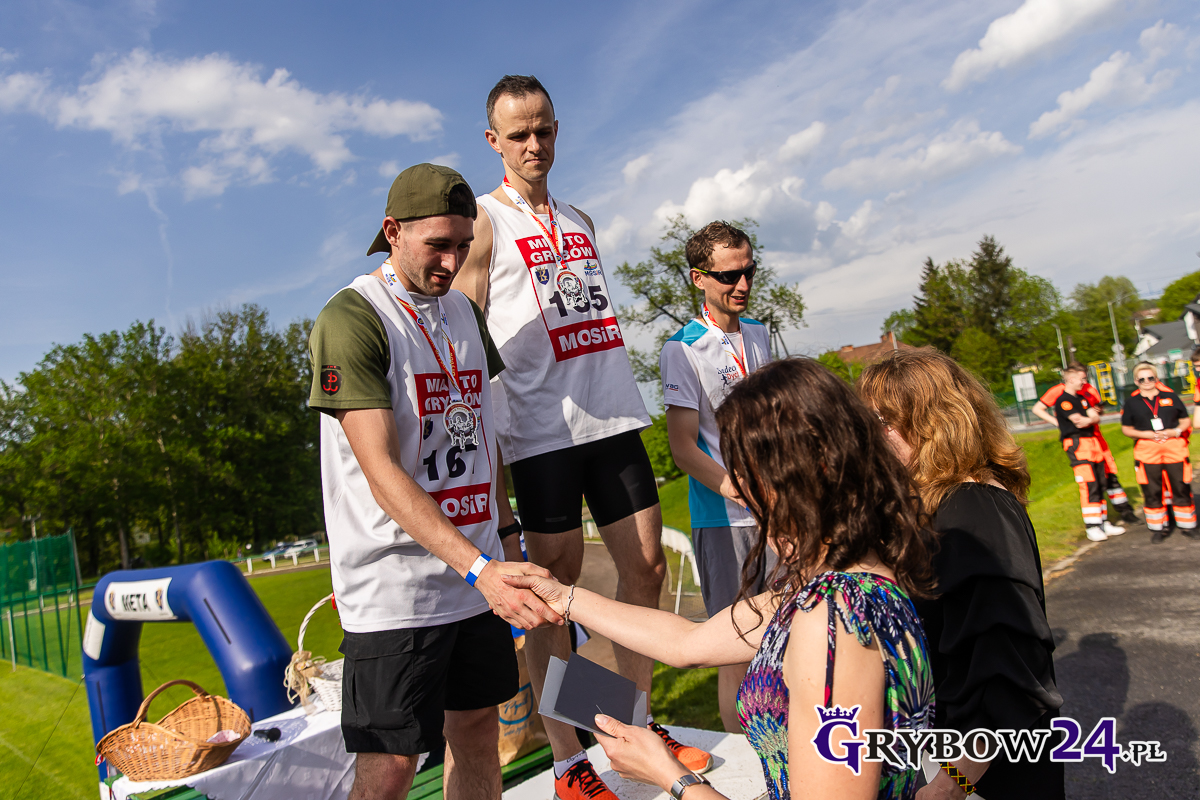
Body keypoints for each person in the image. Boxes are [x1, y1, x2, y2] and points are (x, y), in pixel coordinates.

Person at [508, 358, 936, 800]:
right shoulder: (852, 583)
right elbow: (686, 643)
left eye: (749, 473)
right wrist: (565, 597)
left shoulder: (833, 624)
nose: (740, 491)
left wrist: (669, 774)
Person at [452, 75, 706, 799]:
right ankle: (570, 761)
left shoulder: (581, 218)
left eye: (544, 130)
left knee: (646, 569)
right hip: (539, 433)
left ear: (557, 129)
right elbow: (466, 341)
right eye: (519, 134)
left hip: (612, 417)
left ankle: (636, 727)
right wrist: (489, 472)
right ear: (494, 141)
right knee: (550, 598)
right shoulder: (484, 221)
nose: (534, 144)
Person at [308, 163, 560, 800]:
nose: (452, 261)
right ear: (392, 231)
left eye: (463, 245)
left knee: (476, 729)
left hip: (477, 575)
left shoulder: (465, 313)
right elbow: (381, 471)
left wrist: (505, 539)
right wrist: (482, 569)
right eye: (437, 245)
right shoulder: (353, 316)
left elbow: (482, 438)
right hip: (396, 586)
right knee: (393, 766)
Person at [859, 349, 1065, 800]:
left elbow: (1009, 667)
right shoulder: (935, 504)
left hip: (991, 772)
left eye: (884, 422)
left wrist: (953, 783)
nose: (871, 436)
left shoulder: (975, 509)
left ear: (933, 423)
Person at [658, 220, 775, 733]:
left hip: (779, 513)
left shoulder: (760, 334)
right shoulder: (682, 348)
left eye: (749, 271)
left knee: (789, 638)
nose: (742, 284)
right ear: (698, 278)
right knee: (738, 653)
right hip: (724, 517)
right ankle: (750, 764)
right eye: (729, 276)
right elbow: (683, 447)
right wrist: (738, 489)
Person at [1029, 362, 1125, 541]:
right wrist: (1086, 419)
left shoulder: (1082, 398)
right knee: (1089, 484)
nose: (1084, 382)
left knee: (1100, 482)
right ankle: (1092, 526)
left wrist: (1089, 418)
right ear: (1071, 379)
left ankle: (1102, 521)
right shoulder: (1063, 401)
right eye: (1082, 379)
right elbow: (1079, 421)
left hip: (1093, 442)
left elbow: (1094, 417)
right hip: (1078, 444)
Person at [1121, 361, 1195, 543]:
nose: (1147, 381)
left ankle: (1187, 525)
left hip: (1173, 446)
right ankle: (1158, 528)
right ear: (1136, 381)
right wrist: (1145, 435)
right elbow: (1126, 429)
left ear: (1156, 378)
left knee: (1180, 486)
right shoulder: (1131, 403)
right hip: (1147, 449)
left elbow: (1185, 420)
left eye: (1150, 378)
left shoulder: (1170, 397)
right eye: (1142, 379)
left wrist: (1175, 431)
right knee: (1152, 490)